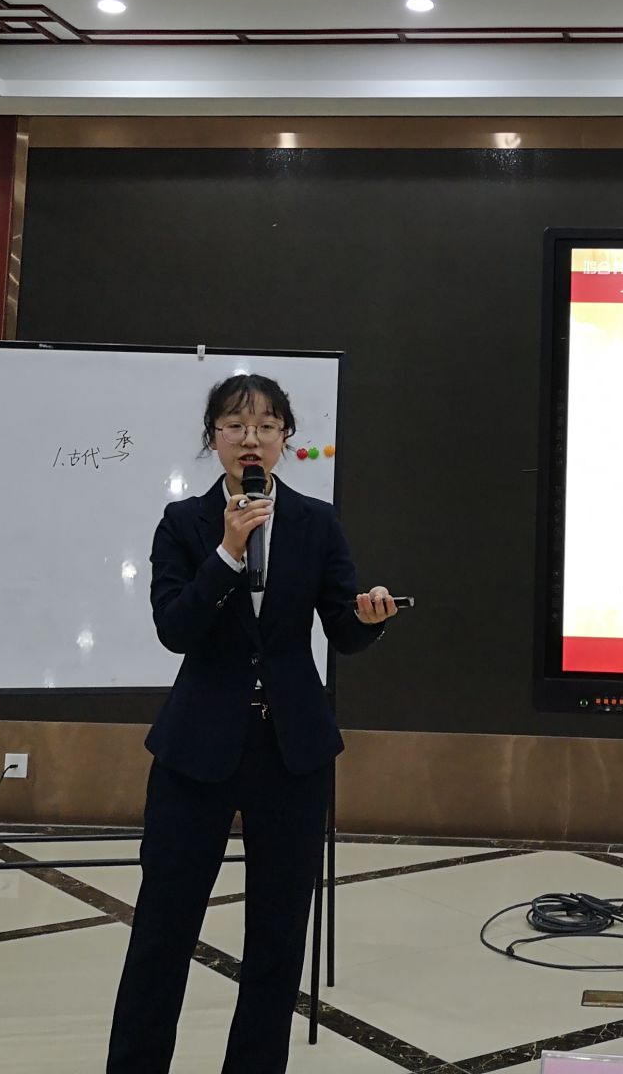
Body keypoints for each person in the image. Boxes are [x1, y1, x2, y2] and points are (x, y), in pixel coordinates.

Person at [108, 373, 398, 1074]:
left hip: (291, 749)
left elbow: (340, 628)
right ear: (213, 438)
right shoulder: (185, 523)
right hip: (197, 748)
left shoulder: (316, 522)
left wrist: (369, 619)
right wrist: (228, 552)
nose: (251, 438)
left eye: (267, 426)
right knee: (164, 926)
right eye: (235, 425)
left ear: (285, 439)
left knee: (277, 935)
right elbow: (175, 630)